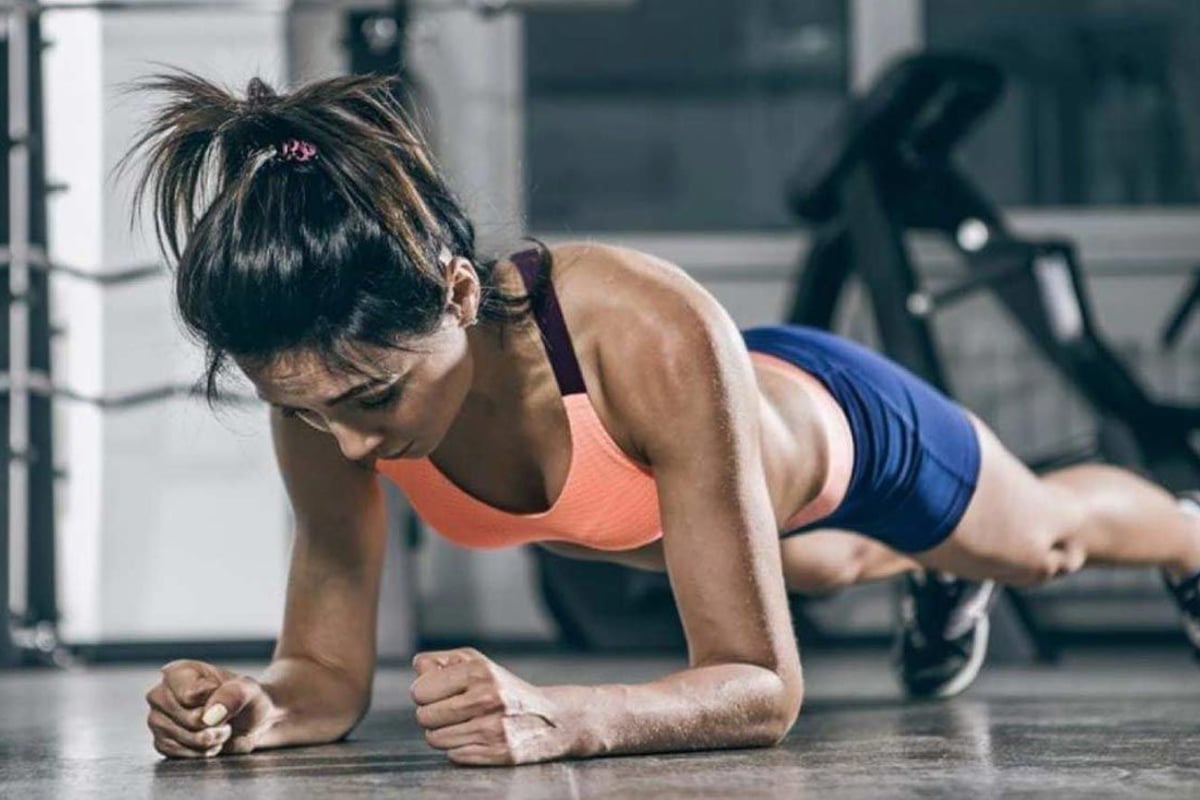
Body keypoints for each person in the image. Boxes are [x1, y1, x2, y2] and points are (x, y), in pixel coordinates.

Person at [128, 71, 1200, 766]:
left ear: (457, 293)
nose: (350, 446)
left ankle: (1187, 529)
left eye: (372, 399)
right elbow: (323, 669)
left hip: (837, 429)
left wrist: (570, 713)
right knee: (815, 568)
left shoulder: (640, 325)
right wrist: (253, 707)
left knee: (1042, 545)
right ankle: (931, 569)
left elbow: (763, 684)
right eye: (305, 413)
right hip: (729, 500)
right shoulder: (324, 394)